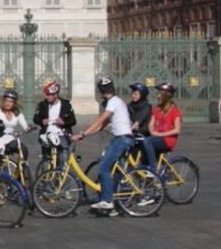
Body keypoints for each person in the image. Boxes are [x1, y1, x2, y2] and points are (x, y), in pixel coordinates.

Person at [72, 76, 135, 215]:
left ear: (101, 91)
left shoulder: (113, 102)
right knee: (113, 169)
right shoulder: (116, 102)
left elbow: (101, 119)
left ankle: (107, 200)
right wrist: (85, 135)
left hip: (122, 139)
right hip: (121, 139)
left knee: (104, 167)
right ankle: (113, 205)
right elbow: (101, 126)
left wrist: (82, 133)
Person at [32, 81, 76, 167]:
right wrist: (42, 121)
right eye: (46, 94)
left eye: (49, 95)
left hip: (61, 133)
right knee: (46, 157)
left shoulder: (66, 105)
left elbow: (73, 121)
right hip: (47, 133)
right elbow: (35, 119)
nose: (46, 97)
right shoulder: (43, 105)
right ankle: (45, 176)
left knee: (64, 148)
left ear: (55, 95)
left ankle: (62, 172)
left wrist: (63, 122)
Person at [143, 82, 182, 170]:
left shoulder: (175, 111)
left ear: (167, 96)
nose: (158, 96)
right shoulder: (156, 109)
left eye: (161, 94)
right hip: (157, 137)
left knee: (148, 141)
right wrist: (152, 131)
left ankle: (152, 170)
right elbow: (151, 123)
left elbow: (177, 130)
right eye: (158, 94)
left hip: (168, 140)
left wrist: (159, 134)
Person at [0, 90, 30, 173]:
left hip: (10, 139)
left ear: (14, 103)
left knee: (24, 150)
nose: (8, 103)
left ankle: (20, 174)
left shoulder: (17, 113)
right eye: (6, 101)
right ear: (3, 101)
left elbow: (25, 125)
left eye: (11, 101)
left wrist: (27, 128)